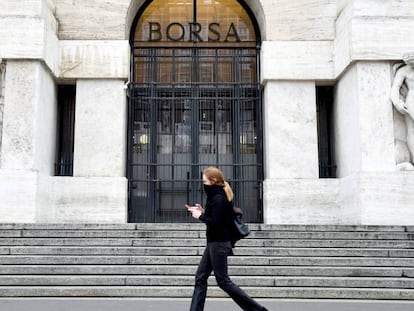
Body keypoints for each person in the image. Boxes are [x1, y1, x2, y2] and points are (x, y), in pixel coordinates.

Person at [185, 167, 268, 311]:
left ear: (213, 181)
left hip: (218, 243)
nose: (203, 184)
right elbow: (218, 217)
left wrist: (200, 216)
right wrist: (203, 211)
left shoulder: (218, 197)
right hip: (214, 243)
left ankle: (257, 310)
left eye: (205, 181)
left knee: (223, 281)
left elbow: (216, 223)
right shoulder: (216, 196)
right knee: (200, 277)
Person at [390, 52, 414, 169]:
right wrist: (398, 102)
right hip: (412, 100)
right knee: (412, 130)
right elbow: (395, 87)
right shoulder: (403, 71)